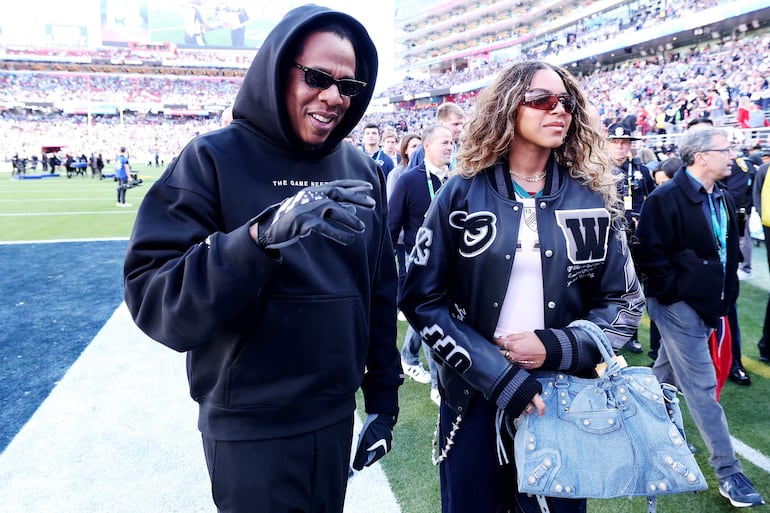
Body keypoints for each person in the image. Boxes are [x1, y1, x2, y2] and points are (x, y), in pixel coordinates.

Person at [123, 6, 403, 513]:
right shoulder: (210, 159)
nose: (334, 97)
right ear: (277, 70)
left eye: (349, 85)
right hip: (250, 426)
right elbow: (154, 299)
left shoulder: (360, 166)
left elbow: (380, 291)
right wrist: (256, 239)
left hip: (332, 418)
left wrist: (383, 401)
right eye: (318, 77)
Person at [399, 60, 644, 513]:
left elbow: (625, 302)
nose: (558, 110)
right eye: (541, 100)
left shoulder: (592, 198)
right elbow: (419, 298)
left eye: (566, 102)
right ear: (507, 108)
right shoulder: (461, 192)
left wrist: (557, 347)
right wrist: (499, 375)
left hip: (564, 402)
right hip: (472, 398)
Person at [633, 127, 765, 509]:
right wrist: (676, 293)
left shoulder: (719, 194)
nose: (732, 155)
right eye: (724, 149)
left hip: (710, 304)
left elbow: (722, 250)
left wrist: (722, 295)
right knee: (702, 386)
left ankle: (636, 424)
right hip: (679, 308)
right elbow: (650, 255)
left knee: (664, 374)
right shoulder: (665, 197)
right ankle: (728, 472)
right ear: (700, 157)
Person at [388, 125, 454, 403]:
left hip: (453, 262)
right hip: (420, 263)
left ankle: (407, 355)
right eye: (443, 142)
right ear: (426, 146)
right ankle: (439, 386)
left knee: (434, 318)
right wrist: (387, 268)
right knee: (431, 316)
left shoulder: (456, 179)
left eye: (452, 142)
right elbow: (392, 225)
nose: (449, 146)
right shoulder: (408, 180)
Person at [606, 122, 655, 354]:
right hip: (609, 238)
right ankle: (606, 335)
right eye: (615, 143)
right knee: (609, 287)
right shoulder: (597, 170)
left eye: (624, 143)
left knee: (633, 288)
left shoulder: (641, 171)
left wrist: (640, 217)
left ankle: (630, 335)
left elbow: (653, 200)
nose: (620, 147)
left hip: (635, 239)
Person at [407, 102, 465, 172]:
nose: (460, 129)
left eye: (461, 124)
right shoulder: (424, 150)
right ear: (441, 123)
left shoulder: (459, 147)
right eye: (455, 124)